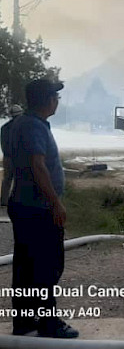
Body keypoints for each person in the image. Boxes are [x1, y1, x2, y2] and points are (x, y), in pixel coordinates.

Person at [8, 79, 78, 339]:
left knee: (26, 267)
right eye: (55, 97)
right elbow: (38, 166)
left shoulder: (19, 124)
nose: (57, 101)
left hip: (25, 204)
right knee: (47, 266)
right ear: (48, 100)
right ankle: (49, 323)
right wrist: (56, 203)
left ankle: (25, 321)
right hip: (39, 208)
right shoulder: (34, 126)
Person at [1, 104, 24, 207]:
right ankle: (18, 201)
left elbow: (3, 145)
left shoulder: (4, 128)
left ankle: (4, 201)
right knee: (19, 180)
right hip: (19, 158)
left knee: (7, 180)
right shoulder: (21, 128)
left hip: (7, 157)